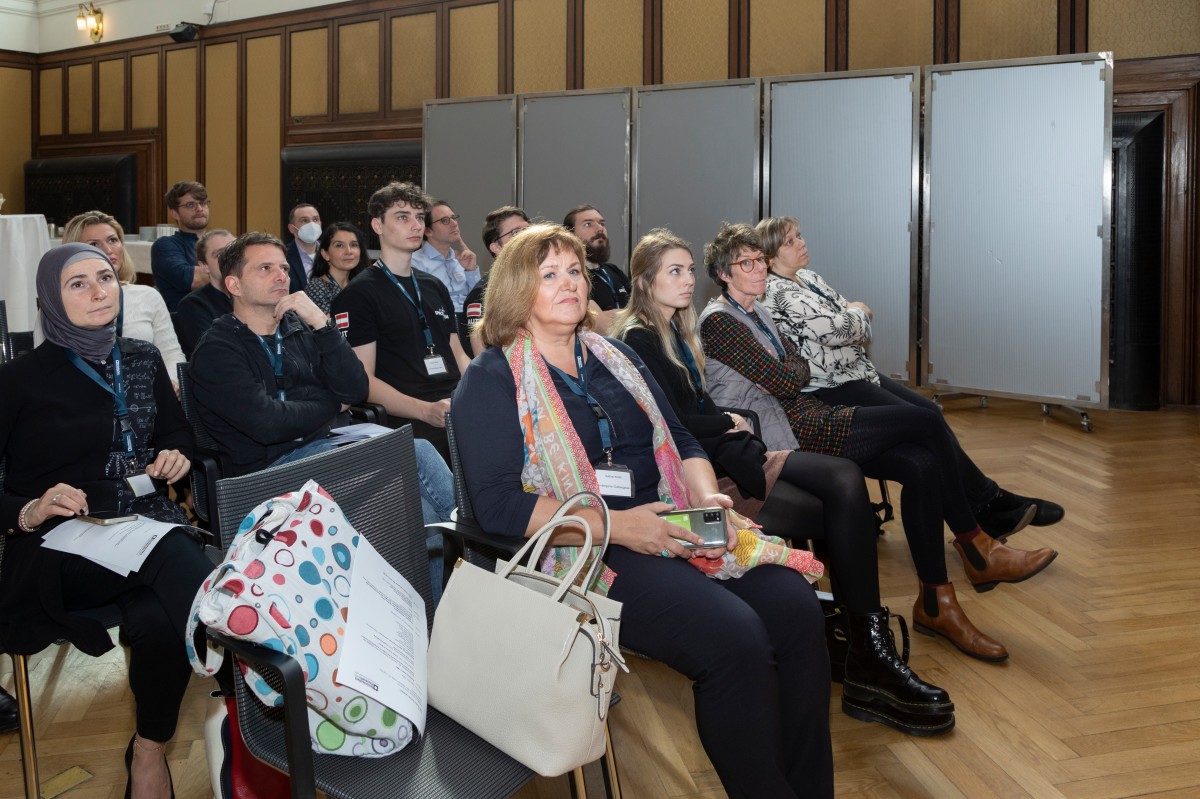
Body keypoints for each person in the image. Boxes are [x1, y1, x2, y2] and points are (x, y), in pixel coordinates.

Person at [453, 223, 834, 798]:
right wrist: (622, 528)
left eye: (575, 271)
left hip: (675, 519)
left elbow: (681, 440)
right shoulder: (492, 379)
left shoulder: (615, 355)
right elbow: (499, 506)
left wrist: (708, 501)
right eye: (548, 274)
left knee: (798, 608)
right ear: (514, 292)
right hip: (589, 550)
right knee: (735, 639)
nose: (570, 284)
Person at [611, 228, 953, 734]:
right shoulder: (640, 337)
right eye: (675, 272)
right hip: (705, 471)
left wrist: (726, 417)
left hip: (734, 447)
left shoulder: (676, 332)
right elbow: (673, 423)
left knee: (847, 481)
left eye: (687, 270)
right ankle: (864, 652)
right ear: (644, 282)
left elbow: (778, 374)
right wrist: (729, 419)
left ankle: (864, 645)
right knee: (843, 490)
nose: (687, 282)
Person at [698, 223, 1057, 662]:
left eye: (760, 261)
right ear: (724, 274)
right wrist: (795, 368)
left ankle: (936, 602)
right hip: (788, 435)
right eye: (746, 264)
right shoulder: (720, 321)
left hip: (806, 415)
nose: (759, 270)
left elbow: (798, 368)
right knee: (924, 420)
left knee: (922, 463)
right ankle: (976, 544)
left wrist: (795, 368)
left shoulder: (758, 312)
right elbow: (786, 376)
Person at [0, 243, 213, 799]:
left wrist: (176, 455)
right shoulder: (17, 380)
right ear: (51, 297)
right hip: (57, 546)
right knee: (174, 552)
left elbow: (177, 434)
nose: (99, 291)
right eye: (78, 283)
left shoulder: (140, 356)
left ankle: (148, 751)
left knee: (162, 619)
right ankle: (258, 669)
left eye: (105, 277)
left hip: (141, 523)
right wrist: (31, 509)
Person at [756, 215, 1066, 537]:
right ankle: (989, 503)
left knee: (931, 412)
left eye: (799, 235)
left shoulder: (807, 277)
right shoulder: (778, 293)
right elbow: (840, 328)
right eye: (790, 241)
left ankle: (989, 502)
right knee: (924, 425)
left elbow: (843, 314)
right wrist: (859, 313)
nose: (801, 243)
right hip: (831, 387)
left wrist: (851, 315)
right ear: (769, 256)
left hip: (856, 371)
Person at [189, 231, 370, 476]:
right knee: (402, 465)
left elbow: (356, 389)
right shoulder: (217, 349)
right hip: (270, 471)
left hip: (329, 443)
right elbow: (269, 424)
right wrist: (335, 403)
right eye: (265, 268)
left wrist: (321, 323)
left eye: (284, 268)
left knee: (413, 460)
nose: (281, 277)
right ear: (234, 285)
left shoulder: (300, 327)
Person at [332, 182, 470, 462]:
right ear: (377, 225)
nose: (415, 225)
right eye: (403, 217)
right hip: (408, 415)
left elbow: (458, 354)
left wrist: (481, 388)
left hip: (455, 404)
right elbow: (363, 380)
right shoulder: (359, 295)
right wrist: (424, 410)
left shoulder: (434, 286)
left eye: (419, 218)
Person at [63, 211, 186, 389]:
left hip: (146, 396)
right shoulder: (62, 300)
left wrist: (171, 385)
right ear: (74, 252)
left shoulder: (147, 296)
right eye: (94, 244)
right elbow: (47, 364)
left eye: (113, 240)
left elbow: (171, 353)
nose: (108, 249)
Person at [461, 205, 531, 356]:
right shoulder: (482, 294)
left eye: (528, 229)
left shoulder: (545, 281)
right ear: (496, 247)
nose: (526, 237)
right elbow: (481, 358)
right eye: (515, 233)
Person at [412, 199, 480, 327]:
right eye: (445, 221)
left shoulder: (462, 259)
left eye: (453, 218)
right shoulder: (415, 263)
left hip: (470, 326)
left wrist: (471, 270)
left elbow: (479, 301)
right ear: (427, 231)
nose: (454, 224)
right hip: (440, 327)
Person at [563, 204, 630, 333]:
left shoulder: (614, 270)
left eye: (602, 224)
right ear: (570, 234)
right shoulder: (572, 277)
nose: (599, 229)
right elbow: (602, 327)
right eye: (588, 224)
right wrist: (630, 316)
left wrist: (609, 315)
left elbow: (644, 313)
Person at [151, 180, 211, 312]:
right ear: (175, 213)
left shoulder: (218, 241)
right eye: (190, 205)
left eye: (203, 203)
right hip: (187, 322)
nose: (200, 209)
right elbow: (191, 279)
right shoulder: (165, 245)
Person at [175, 229, 235, 358]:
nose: (229, 259)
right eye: (220, 254)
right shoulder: (193, 305)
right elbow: (213, 355)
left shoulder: (255, 297)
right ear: (204, 266)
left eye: (234, 252)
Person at [303, 222, 369, 315]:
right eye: (339, 245)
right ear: (325, 254)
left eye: (354, 245)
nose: (349, 251)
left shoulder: (363, 284)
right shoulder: (317, 288)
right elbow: (327, 327)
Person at [284, 202, 322, 292]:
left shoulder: (332, 251)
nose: (312, 225)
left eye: (315, 219)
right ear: (291, 228)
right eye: (304, 220)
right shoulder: (283, 255)